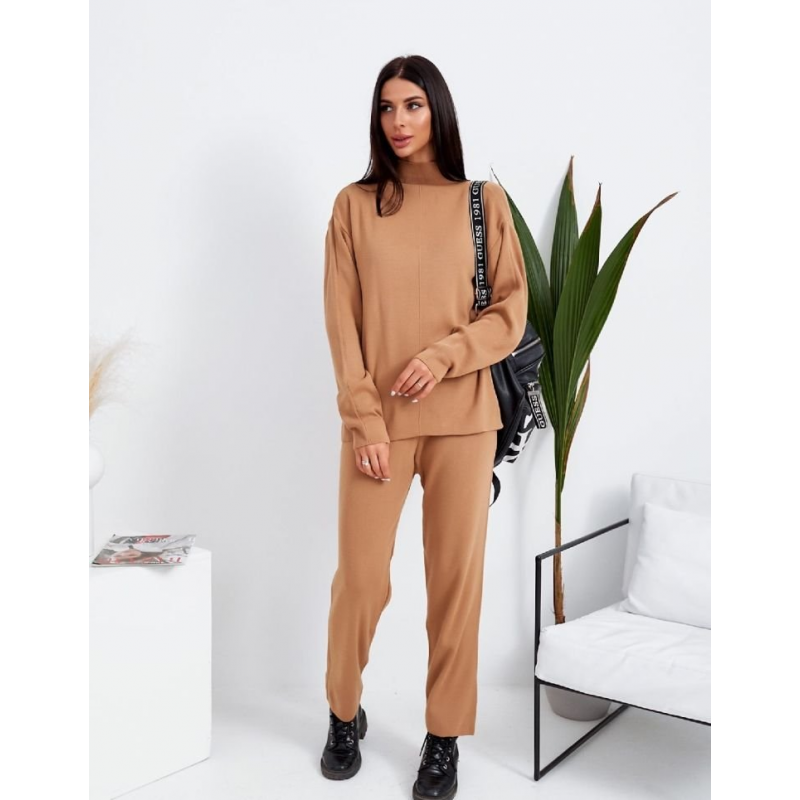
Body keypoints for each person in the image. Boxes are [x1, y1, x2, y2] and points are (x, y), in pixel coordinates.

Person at [320, 54, 529, 800]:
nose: (399, 121)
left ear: (437, 109)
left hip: (465, 421)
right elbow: (343, 325)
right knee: (361, 581)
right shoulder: (354, 206)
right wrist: (364, 420)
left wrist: (444, 356)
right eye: (386, 108)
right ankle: (343, 711)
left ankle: (444, 737)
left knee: (454, 585)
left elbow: (510, 312)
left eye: (412, 105)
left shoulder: (482, 202)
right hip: (378, 425)